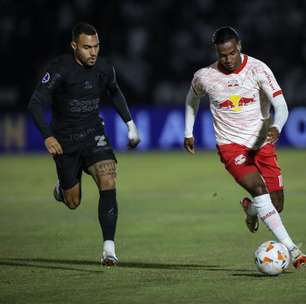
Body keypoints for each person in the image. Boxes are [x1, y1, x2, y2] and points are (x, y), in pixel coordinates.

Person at [184, 26, 306, 269]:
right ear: (216, 52)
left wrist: (277, 127)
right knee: (259, 188)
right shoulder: (204, 76)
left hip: (262, 143)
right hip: (231, 146)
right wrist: (188, 131)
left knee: (276, 204)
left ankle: (251, 210)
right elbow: (191, 99)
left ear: (238, 46)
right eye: (222, 55)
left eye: (231, 53)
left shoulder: (259, 69)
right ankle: (293, 250)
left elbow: (281, 106)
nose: (227, 59)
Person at [28, 22, 140, 266]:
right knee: (73, 202)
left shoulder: (104, 66)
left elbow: (114, 91)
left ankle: (108, 249)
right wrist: (47, 135)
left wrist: (130, 124)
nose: (93, 52)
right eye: (87, 47)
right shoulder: (59, 69)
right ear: (74, 46)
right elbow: (35, 103)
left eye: (97, 46)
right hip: (65, 140)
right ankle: (62, 188)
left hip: (93, 134)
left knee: (108, 178)